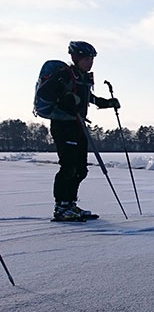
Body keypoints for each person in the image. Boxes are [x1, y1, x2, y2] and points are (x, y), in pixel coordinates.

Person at [36, 41, 120, 222]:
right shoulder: (63, 75)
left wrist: (106, 103)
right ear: (76, 57)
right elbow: (45, 94)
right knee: (69, 166)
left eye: (92, 58)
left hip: (78, 126)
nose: (90, 62)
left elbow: (87, 97)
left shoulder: (82, 77)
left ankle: (71, 204)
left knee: (81, 169)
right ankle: (61, 207)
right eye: (87, 58)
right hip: (63, 125)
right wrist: (65, 99)